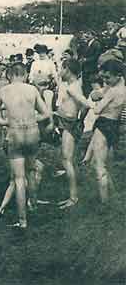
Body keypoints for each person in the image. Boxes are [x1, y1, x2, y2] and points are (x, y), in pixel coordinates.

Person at [0, 62, 50, 228]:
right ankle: (34, 205)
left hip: (15, 133)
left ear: (9, 75)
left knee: (18, 178)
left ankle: (23, 220)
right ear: (25, 75)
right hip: (32, 132)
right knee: (31, 172)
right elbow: (46, 114)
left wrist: (6, 122)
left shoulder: (3, 91)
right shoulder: (32, 89)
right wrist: (31, 119)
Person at [81, 60, 126, 203]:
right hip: (114, 125)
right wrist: (100, 92)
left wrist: (96, 100)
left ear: (118, 75)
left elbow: (97, 109)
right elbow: (98, 94)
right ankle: (113, 197)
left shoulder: (113, 91)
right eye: (104, 78)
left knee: (99, 165)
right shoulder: (121, 87)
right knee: (104, 164)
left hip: (104, 123)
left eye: (108, 77)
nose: (105, 81)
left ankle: (104, 202)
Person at [54, 59, 88, 209]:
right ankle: (73, 195)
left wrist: (75, 119)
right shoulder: (74, 85)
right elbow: (82, 107)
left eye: (61, 68)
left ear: (67, 69)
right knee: (67, 159)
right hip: (68, 124)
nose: (59, 71)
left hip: (69, 125)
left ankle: (73, 197)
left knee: (67, 160)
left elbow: (86, 104)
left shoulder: (72, 88)